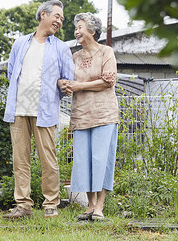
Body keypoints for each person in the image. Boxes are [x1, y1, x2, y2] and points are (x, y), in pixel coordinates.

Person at [2, 0, 75, 219]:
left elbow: (68, 80)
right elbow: (11, 72)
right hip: (18, 109)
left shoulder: (61, 47)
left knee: (48, 160)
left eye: (62, 19)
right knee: (20, 159)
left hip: (45, 111)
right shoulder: (20, 43)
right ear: (43, 15)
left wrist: (54, 95)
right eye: (57, 16)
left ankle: (51, 204)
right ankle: (23, 206)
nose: (60, 21)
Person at [60, 12, 119, 221]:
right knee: (83, 161)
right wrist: (63, 84)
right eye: (75, 28)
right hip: (81, 115)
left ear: (92, 31)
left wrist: (79, 86)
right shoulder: (74, 57)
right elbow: (65, 79)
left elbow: (107, 81)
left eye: (80, 27)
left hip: (104, 114)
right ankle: (90, 206)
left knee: (101, 160)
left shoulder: (106, 52)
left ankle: (100, 207)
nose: (76, 31)